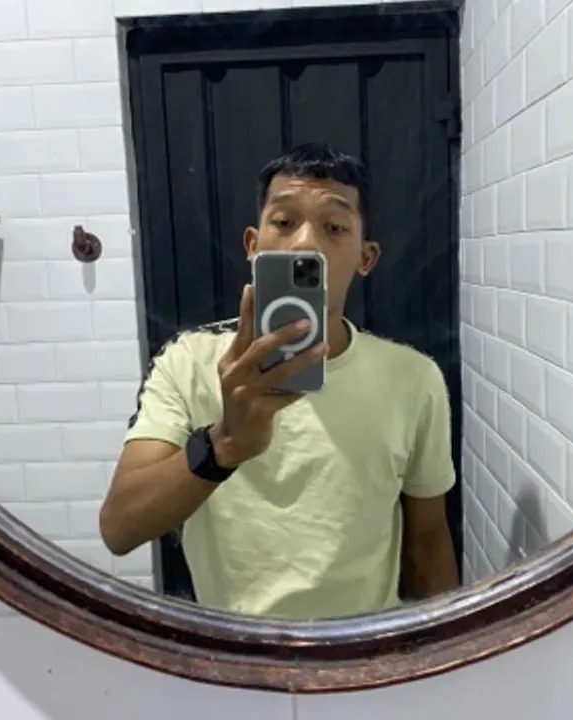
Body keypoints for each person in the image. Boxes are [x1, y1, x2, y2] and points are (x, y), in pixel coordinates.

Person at [99, 142, 459, 620]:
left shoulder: (413, 378)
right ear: (253, 246)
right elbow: (120, 528)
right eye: (284, 222)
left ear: (366, 257)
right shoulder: (187, 364)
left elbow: (428, 541)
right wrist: (223, 445)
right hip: (236, 650)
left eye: (334, 227)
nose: (306, 244)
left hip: (359, 650)